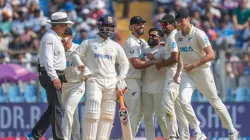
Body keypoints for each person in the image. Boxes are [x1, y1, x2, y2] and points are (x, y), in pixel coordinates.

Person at [173, 8, 239, 140]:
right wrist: (178, 71)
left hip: (202, 72)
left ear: (188, 19)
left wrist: (194, 65)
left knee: (215, 102)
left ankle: (232, 130)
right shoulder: (177, 35)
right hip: (188, 74)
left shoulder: (199, 34)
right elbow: (180, 55)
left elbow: (211, 55)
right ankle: (198, 131)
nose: (180, 23)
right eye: (177, 21)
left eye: (182, 20)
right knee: (183, 100)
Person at [78, 15, 129, 140]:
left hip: (111, 82)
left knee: (108, 114)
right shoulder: (88, 43)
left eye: (111, 27)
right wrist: (82, 69)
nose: (109, 30)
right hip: (94, 80)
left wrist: (121, 78)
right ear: (99, 26)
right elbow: (76, 57)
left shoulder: (116, 46)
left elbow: (125, 63)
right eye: (106, 26)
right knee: (92, 111)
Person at [25, 12, 73, 140]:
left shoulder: (53, 36)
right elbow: (47, 60)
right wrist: (54, 77)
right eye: (64, 24)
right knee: (57, 108)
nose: (66, 27)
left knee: (53, 108)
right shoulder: (50, 38)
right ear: (59, 25)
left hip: (53, 74)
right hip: (51, 74)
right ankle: (58, 137)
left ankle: (34, 135)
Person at [158, 14, 190, 140]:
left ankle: (172, 136)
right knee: (180, 110)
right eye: (161, 24)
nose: (163, 27)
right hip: (178, 74)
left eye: (165, 24)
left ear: (173, 24)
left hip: (173, 73)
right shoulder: (175, 37)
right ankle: (185, 137)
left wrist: (159, 62)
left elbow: (174, 58)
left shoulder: (172, 38)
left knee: (166, 105)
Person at [123, 16, 154, 137]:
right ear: (131, 27)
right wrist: (153, 62)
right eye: (137, 24)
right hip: (130, 80)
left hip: (139, 80)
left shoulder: (142, 42)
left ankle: (129, 136)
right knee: (134, 111)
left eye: (142, 24)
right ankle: (127, 138)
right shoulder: (130, 42)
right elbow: (136, 64)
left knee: (140, 112)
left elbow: (151, 53)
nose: (141, 26)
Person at [61, 27, 91, 140]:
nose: (62, 40)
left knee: (68, 109)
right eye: (60, 37)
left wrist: (84, 70)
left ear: (70, 37)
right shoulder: (58, 51)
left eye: (64, 37)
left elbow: (88, 67)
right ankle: (77, 138)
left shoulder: (78, 49)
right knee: (72, 114)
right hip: (64, 86)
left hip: (77, 85)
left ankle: (65, 138)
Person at [141, 27, 169, 140]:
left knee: (161, 116)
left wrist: (153, 59)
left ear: (159, 38)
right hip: (146, 87)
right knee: (147, 118)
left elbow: (165, 69)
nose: (151, 37)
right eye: (149, 35)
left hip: (159, 87)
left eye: (153, 36)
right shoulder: (145, 50)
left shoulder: (163, 49)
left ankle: (169, 137)